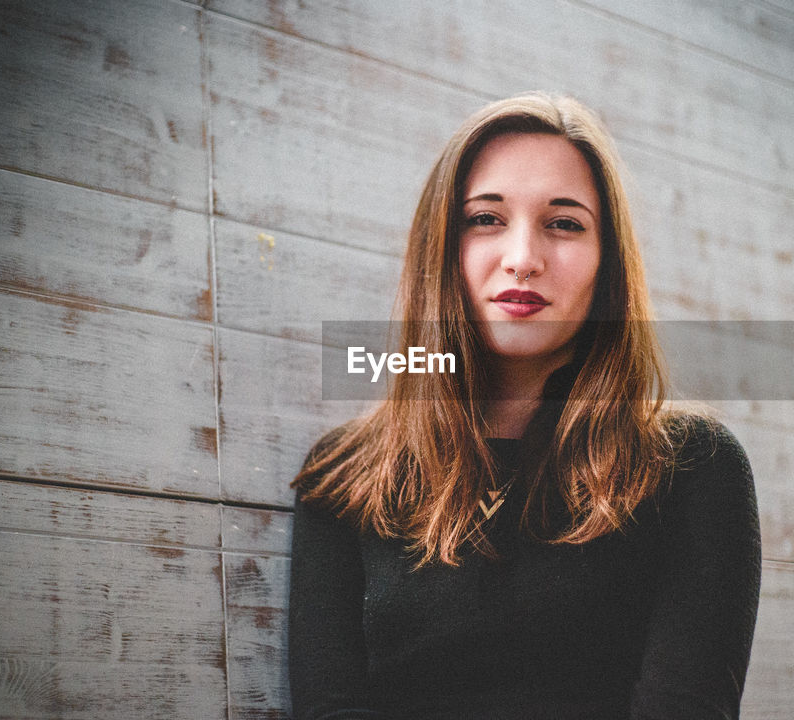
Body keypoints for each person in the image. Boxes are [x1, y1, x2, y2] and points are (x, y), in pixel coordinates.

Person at [288, 93, 760, 719]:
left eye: (564, 223)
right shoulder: (343, 476)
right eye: (485, 218)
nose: (522, 259)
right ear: (441, 249)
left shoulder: (692, 464)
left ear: (608, 263)